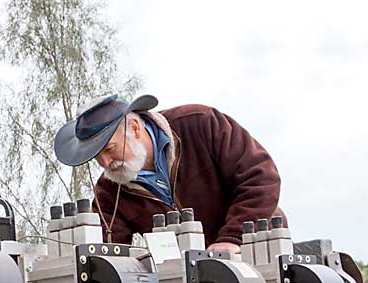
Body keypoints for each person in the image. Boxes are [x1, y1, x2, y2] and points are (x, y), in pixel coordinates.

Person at [53, 94, 282, 253]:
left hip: (259, 252)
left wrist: (232, 238)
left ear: (134, 128)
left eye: (110, 150)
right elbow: (110, 247)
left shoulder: (200, 124)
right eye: (97, 157)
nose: (105, 163)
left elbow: (261, 179)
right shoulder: (110, 191)